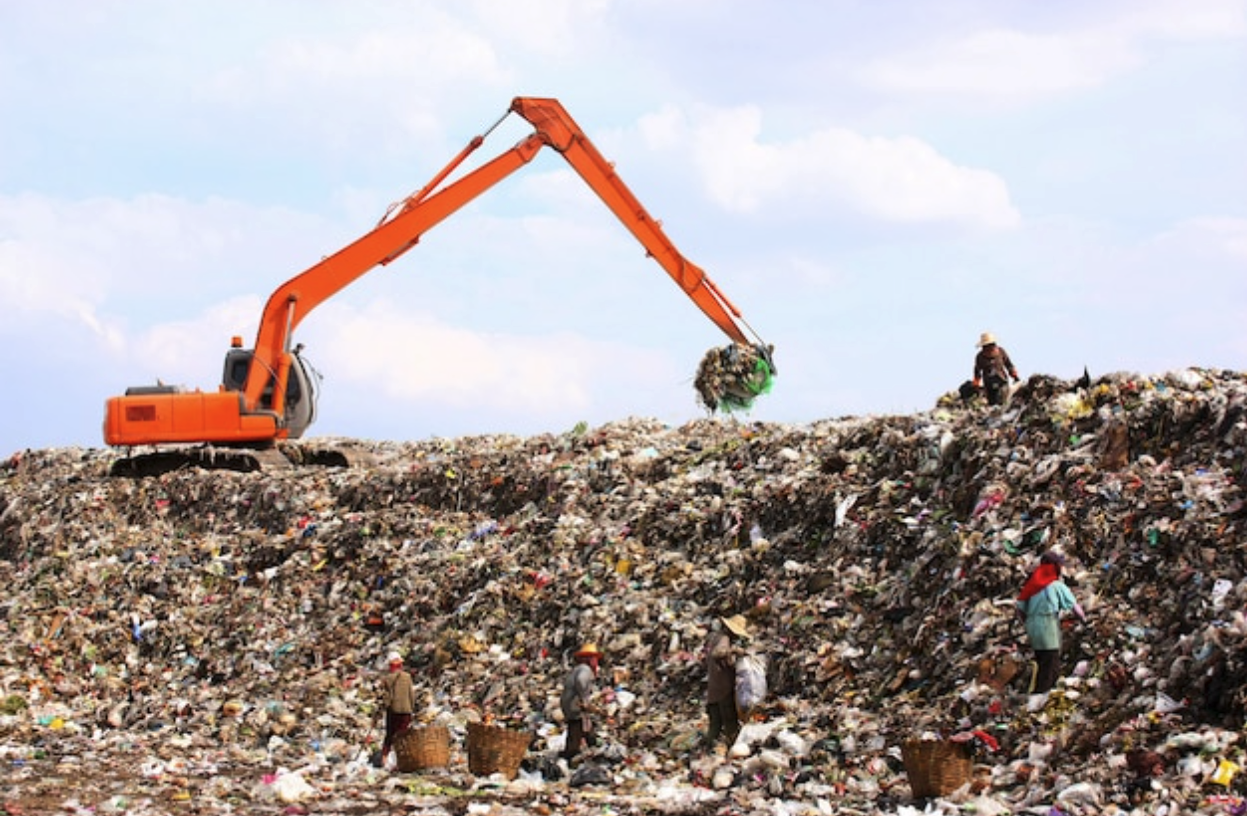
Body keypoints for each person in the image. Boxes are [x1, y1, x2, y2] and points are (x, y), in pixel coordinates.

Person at [1016, 551, 1086, 694]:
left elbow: (1020, 608)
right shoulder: (1056, 585)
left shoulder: (1032, 585)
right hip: (1048, 623)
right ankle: (1042, 694)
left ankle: (1044, 689)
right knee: (1051, 661)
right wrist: (1084, 620)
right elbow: (1076, 608)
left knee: (1042, 660)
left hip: (1032, 625)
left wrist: (1028, 623)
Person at [704, 614, 750, 749]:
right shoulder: (724, 639)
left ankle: (707, 750)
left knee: (715, 726)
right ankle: (732, 750)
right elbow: (718, 653)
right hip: (723, 690)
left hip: (713, 690)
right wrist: (734, 650)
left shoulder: (714, 637)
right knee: (730, 723)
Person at [560, 643, 602, 761]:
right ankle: (571, 753)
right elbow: (581, 681)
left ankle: (592, 743)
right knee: (576, 726)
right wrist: (583, 699)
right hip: (574, 703)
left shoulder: (577, 669)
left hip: (568, 702)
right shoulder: (585, 669)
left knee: (584, 724)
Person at [379, 651, 417, 765]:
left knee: (390, 735)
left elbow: (387, 697)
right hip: (406, 711)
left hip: (393, 711)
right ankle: (402, 760)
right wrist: (412, 708)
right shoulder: (407, 677)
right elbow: (412, 695)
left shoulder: (388, 679)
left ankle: (384, 759)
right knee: (403, 735)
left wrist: (382, 707)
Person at [973, 332, 1020, 406]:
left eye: (991, 345)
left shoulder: (1001, 352)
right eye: (986, 346)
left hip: (1002, 382)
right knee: (992, 405)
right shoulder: (980, 357)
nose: (989, 347)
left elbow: (1009, 365)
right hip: (989, 385)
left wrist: (1015, 376)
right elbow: (977, 372)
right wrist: (976, 385)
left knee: (1002, 402)